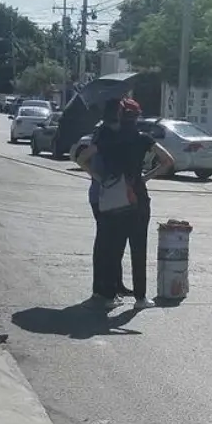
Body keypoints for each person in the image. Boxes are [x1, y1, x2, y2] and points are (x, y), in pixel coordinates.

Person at [79, 98, 174, 309]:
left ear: (120, 117)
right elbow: (168, 160)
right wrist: (146, 177)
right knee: (139, 248)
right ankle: (141, 298)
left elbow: (80, 157)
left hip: (114, 196)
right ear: (137, 117)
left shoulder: (107, 140)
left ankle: (110, 295)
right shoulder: (143, 139)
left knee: (114, 248)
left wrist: (98, 177)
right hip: (138, 195)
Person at [86, 150, 133, 298]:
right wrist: (101, 179)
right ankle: (101, 286)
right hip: (103, 197)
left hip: (110, 196)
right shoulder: (103, 140)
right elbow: (79, 157)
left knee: (116, 242)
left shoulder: (109, 139)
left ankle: (116, 283)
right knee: (105, 243)